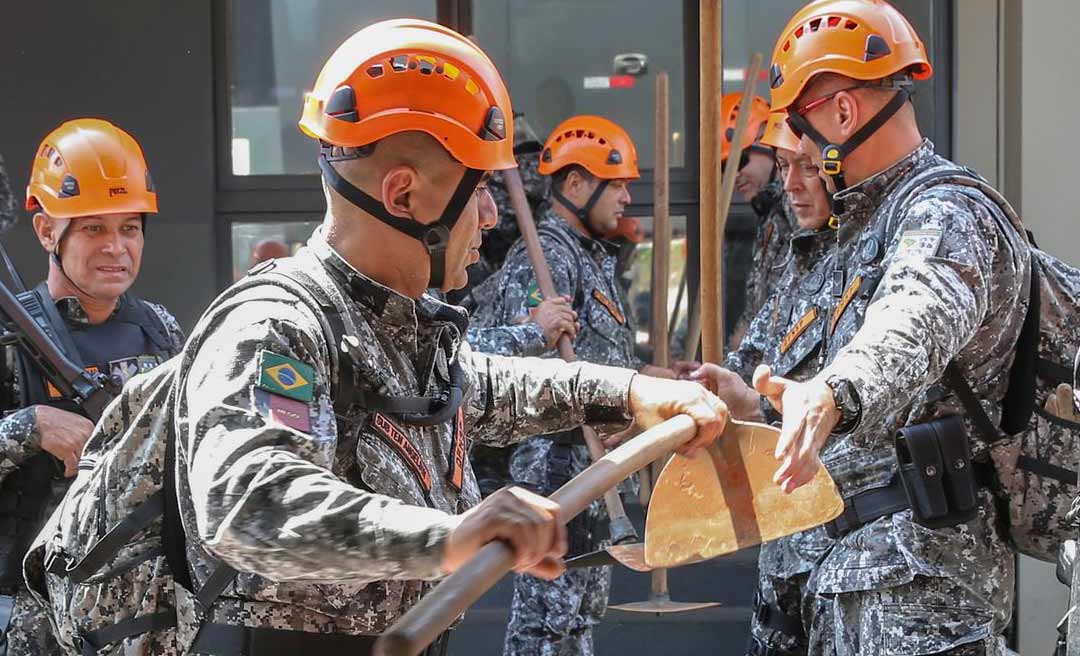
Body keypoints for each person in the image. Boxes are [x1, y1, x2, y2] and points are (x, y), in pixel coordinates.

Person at [171, 20, 727, 655]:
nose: (492, 219)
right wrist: (449, 538)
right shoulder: (276, 324)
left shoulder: (402, 325)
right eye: (480, 190)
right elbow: (250, 501)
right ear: (403, 194)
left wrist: (630, 392)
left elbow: (487, 386)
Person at [708, 1, 1029, 652]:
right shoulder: (850, 234)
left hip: (913, 601)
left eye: (801, 126)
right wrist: (751, 404)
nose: (794, 155)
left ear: (843, 114)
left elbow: (915, 320)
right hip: (830, 588)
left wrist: (833, 394)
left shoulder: (946, 211)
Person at [486, 115, 673, 656]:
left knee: (578, 623)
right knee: (547, 623)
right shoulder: (543, 258)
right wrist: (534, 330)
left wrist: (662, 381)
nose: (627, 197)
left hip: (595, 470)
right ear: (574, 185)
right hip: (556, 469)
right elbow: (501, 360)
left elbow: (603, 360)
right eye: (616, 184)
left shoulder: (588, 257)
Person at [0, 118, 184, 655]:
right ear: (46, 232)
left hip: (144, 612)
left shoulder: (161, 329)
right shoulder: (12, 339)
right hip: (33, 619)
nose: (116, 248)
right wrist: (29, 428)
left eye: (130, 227)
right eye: (93, 228)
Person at [694, 111, 835, 655]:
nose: (791, 185)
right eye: (783, 167)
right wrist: (712, 388)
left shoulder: (875, 258)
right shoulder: (802, 259)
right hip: (785, 536)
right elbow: (757, 346)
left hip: (847, 542)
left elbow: (851, 403)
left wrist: (757, 402)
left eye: (806, 167)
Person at [724, 93, 796, 348]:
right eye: (725, 168)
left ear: (766, 142)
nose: (734, 176)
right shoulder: (770, 213)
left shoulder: (798, 201)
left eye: (739, 162)